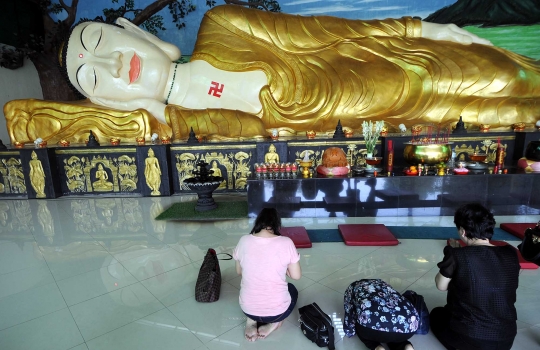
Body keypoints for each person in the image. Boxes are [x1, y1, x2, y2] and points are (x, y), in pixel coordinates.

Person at [36, 4, 536, 143]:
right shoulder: (192, 116)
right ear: (115, 100)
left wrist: (419, 28)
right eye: (96, 79)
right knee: (504, 115)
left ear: (134, 33)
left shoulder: (222, 26)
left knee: (509, 78)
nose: (110, 63)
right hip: (382, 119)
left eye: (100, 43)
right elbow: (255, 129)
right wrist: (157, 112)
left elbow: (323, 30)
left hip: (394, 66)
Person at [430, 203, 520, 350]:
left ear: (463, 231)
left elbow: (440, 286)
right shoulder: (510, 253)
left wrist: (451, 255)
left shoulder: (458, 256)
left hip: (468, 338)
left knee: (436, 315)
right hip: (506, 339)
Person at [233, 207, 301, 341]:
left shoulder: (244, 240)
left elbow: (239, 271)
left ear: (258, 222)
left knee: (251, 290)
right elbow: (296, 276)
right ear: (277, 224)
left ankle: (251, 322)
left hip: (247, 308)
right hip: (277, 313)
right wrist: (285, 268)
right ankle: (273, 324)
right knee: (292, 289)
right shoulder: (286, 242)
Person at [343, 279, 419, 350]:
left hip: (373, 325)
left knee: (362, 326)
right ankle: (406, 347)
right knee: (394, 333)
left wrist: (349, 331)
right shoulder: (384, 284)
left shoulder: (352, 287)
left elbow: (349, 314)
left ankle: (378, 349)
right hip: (409, 324)